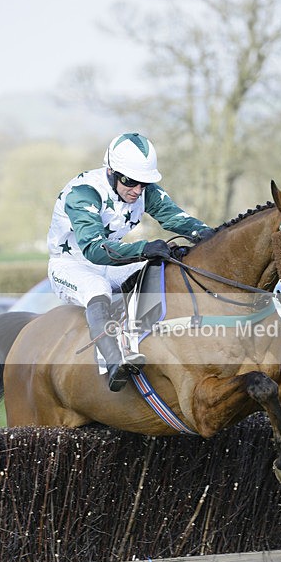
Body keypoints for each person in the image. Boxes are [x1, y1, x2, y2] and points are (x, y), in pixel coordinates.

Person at [47, 132, 213, 392]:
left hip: (110, 261)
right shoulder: (84, 193)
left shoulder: (142, 189)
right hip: (71, 264)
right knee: (97, 288)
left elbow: (177, 219)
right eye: (130, 182)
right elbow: (94, 249)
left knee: (163, 265)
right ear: (111, 171)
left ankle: (155, 339)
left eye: (143, 184)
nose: (137, 190)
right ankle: (114, 362)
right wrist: (144, 248)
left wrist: (215, 236)